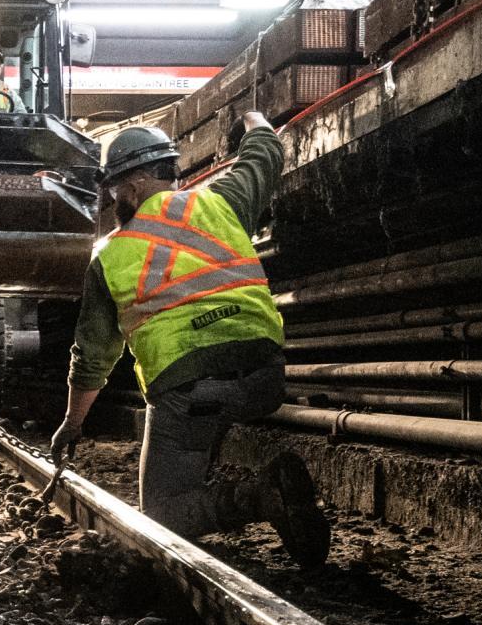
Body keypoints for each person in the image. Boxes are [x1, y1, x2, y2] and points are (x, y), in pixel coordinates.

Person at [48, 116, 331, 565]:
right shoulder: (221, 203)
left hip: (191, 392)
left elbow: (93, 358)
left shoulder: (112, 255)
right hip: (265, 377)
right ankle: (250, 486)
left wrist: (73, 422)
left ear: (137, 184)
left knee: (163, 515)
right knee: (203, 423)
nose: (113, 200)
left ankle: (262, 496)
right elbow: (266, 154)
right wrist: (254, 121)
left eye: (116, 188)